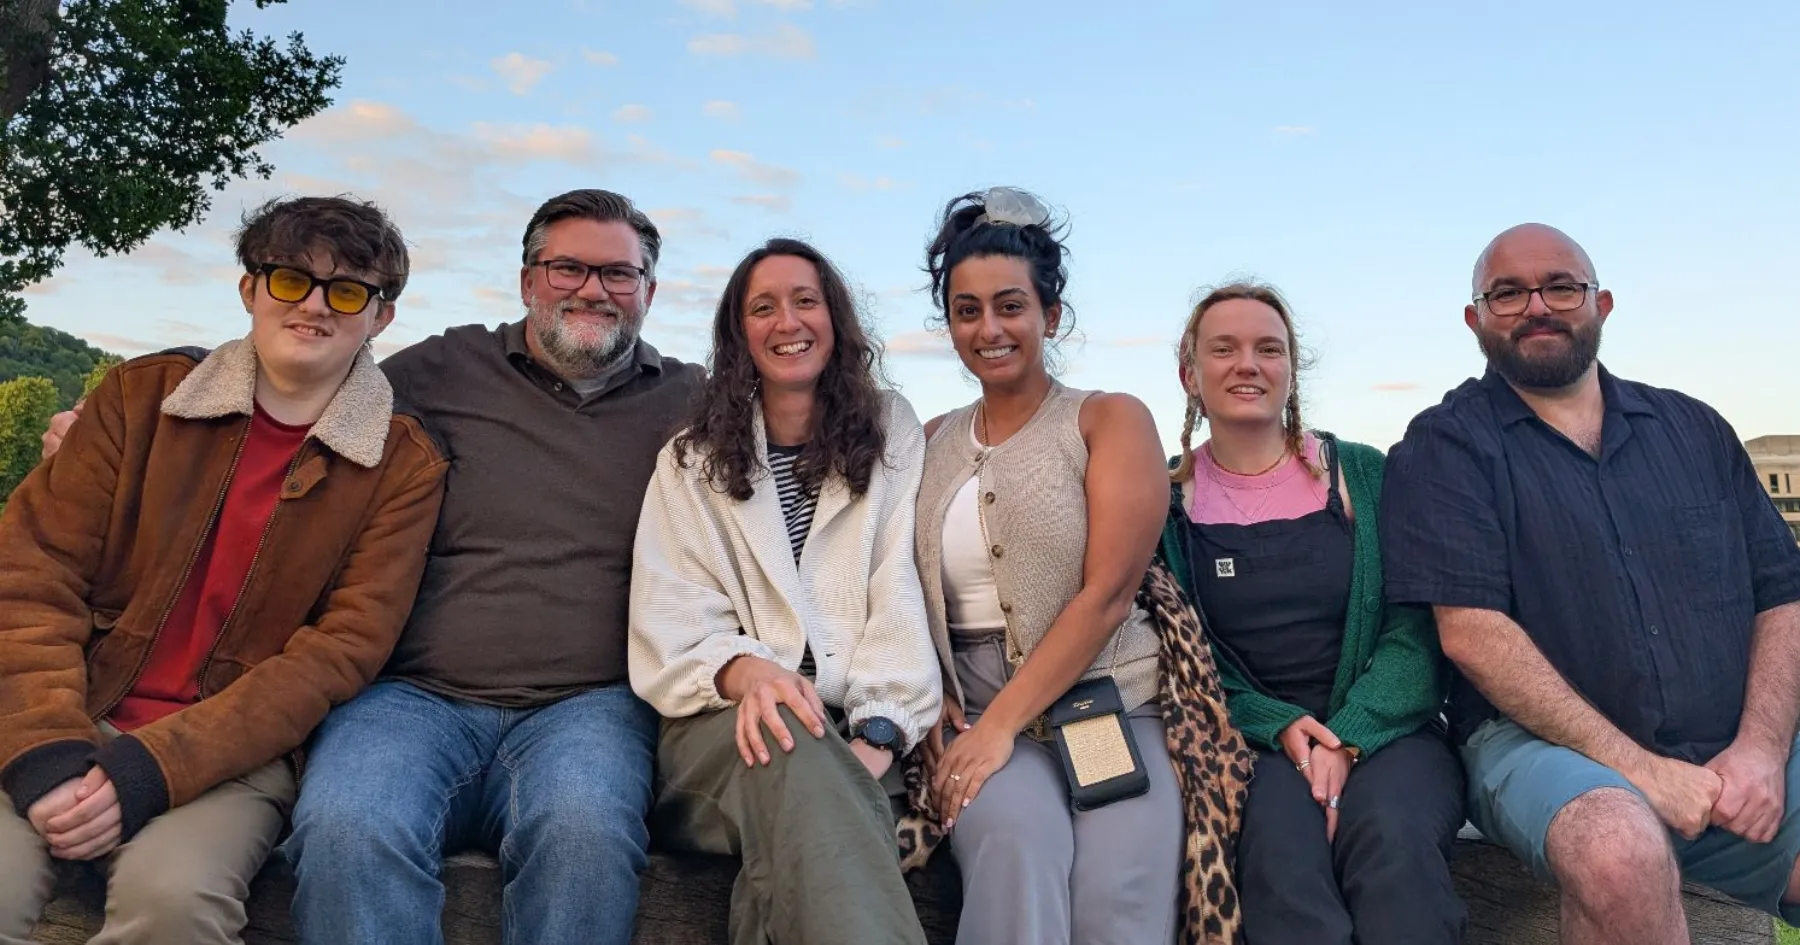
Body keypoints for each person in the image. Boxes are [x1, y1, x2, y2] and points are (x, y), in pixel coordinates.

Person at [0, 195, 447, 945]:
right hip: (66, 703)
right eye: (288, 280)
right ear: (249, 290)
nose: (313, 306)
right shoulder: (139, 399)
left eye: (346, 292)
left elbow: (341, 650)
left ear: (380, 318)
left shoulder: (402, 465)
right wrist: (43, 748)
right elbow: (30, 574)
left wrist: (153, 768)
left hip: (227, 752)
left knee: (174, 903)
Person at [278, 190, 704, 945]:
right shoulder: (444, 368)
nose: (592, 290)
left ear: (649, 291)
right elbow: (292, 381)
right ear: (528, 280)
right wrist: (126, 412)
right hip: (412, 696)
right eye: (568, 267)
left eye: (618, 274)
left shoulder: (692, 401)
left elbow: (813, 438)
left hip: (590, 705)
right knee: (348, 826)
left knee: (586, 837)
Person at [1382, 223, 1800, 945]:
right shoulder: (1446, 445)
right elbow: (1472, 632)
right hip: (1544, 749)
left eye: (1561, 285)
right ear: (1475, 318)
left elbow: (1781, 592)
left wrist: (1762, 748)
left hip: (1736, 744)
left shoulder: (1693, 429)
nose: (1536, 305)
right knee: (1618, 849)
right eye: (1507, 292)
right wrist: (1646, 772)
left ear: (1601, 303)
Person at [629, 237, 939, 945]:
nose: (787, 321)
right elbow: (669, 616)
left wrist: (879, 735)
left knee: (789, 858)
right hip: (716, 730)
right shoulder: (691, 460)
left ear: (835, 317)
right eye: (762, 308)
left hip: (859, 735)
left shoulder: (891, 429)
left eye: (805, 300)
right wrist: (751, 671)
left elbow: (898, 589)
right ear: (740, 334)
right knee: (789, 744)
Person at [913, 187, 1184, 945]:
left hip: (1108, 700)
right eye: (967, 311)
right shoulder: (927, 438)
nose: (989, 328)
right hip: (970, 701)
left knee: (1115, 897)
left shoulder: (1107, 417)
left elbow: (1108, 594)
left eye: (1010, 306)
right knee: (1013, 852)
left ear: (1050, 315)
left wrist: (1002, 725)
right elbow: (894, 585)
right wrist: (928, 690)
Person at [1156, 281, 1466, 944]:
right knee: (1280, 864)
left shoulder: (1362, 474)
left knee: (1393, 843)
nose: (1249, 363)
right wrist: (1281, 725)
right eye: (1224, 348)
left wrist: (1347, 736)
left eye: (1269, 348)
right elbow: (1179, 658)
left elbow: (1416, 629)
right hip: (1250, 743)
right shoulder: (1164, 504)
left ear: (1291, 370)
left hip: (1390, 733)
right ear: (1190, 372)